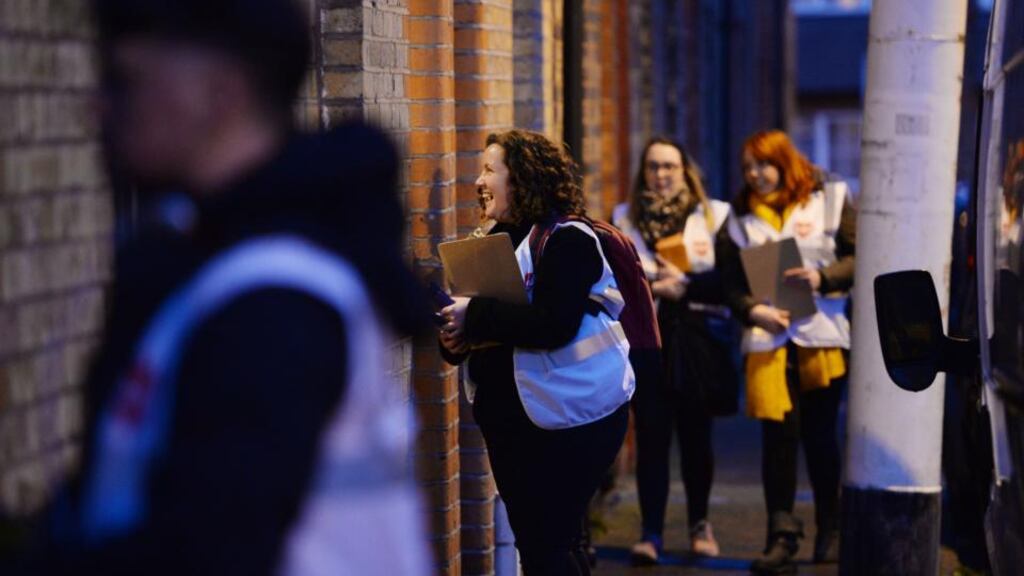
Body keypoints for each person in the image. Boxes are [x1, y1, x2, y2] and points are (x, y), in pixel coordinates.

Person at [18, 1, 433, 574]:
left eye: (127, 79)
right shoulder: (207, 263)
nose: (98, 107)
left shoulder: (274, 301)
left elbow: (207, 550)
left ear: (219, 93)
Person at [439, 129, 633, 575]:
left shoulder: (569, 240)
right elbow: (475, 321)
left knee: (548, 547)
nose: (478, 181)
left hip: (573, 422)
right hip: (515, 425)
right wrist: (453, 338)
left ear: (522, 178)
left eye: (490, 169)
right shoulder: (492, 241)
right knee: (544, 545)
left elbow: (553, 325)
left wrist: (477, 316)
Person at [716, 130, 855, 574]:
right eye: (748, 168)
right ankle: (782, 538)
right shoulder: (737, 217)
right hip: (768, 340)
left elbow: (860, 255)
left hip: (822, 336)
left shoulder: (829, 196)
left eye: (763, 164)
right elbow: (728, 282)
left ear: (784, 161)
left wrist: (823, 278)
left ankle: (830, 529)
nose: (755, 175)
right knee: (778, 441)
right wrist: (751, 310)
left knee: (820, 438)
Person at [611, 137, 738, 564]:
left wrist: (683, 285)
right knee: (650, 439)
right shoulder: (624, 219)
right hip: (646, 342)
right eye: (652, 167)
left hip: (697, 339)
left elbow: (732, 281)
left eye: (669, 166)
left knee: (697, 439)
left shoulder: (713, 215)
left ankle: (700, 524)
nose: (661, 175)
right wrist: (651, 287)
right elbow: (612, 282)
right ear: (642, 172)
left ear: (685, 171)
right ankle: (650, 533)